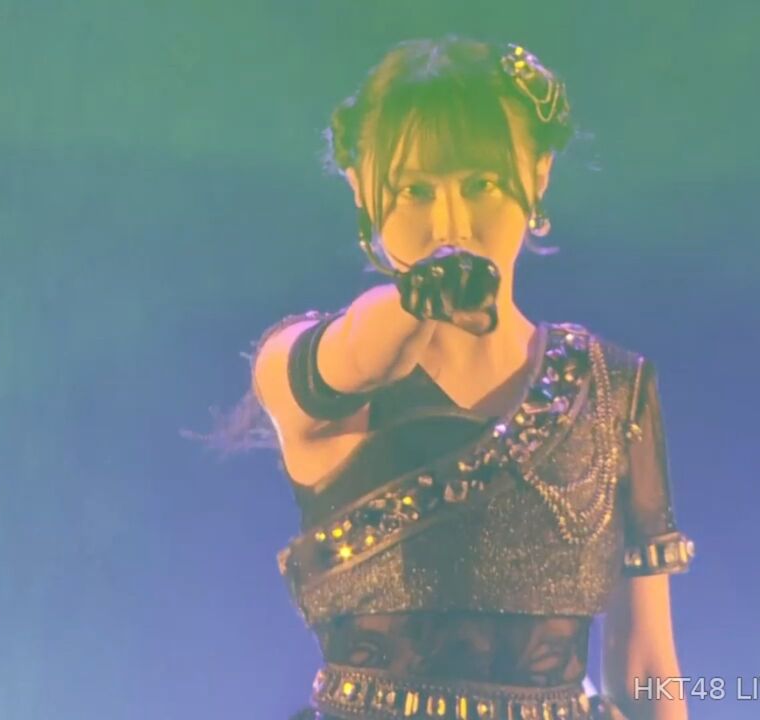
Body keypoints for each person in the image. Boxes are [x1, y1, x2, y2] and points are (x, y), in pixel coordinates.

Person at [216, 35, 696, 720]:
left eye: (482, 185)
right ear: (359, 186)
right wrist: (416, 300)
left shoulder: (612, 388)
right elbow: (357, 348)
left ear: (539, 174)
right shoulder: (302, 365)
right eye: (414, 190)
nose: (450, 224)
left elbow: (647, 664)